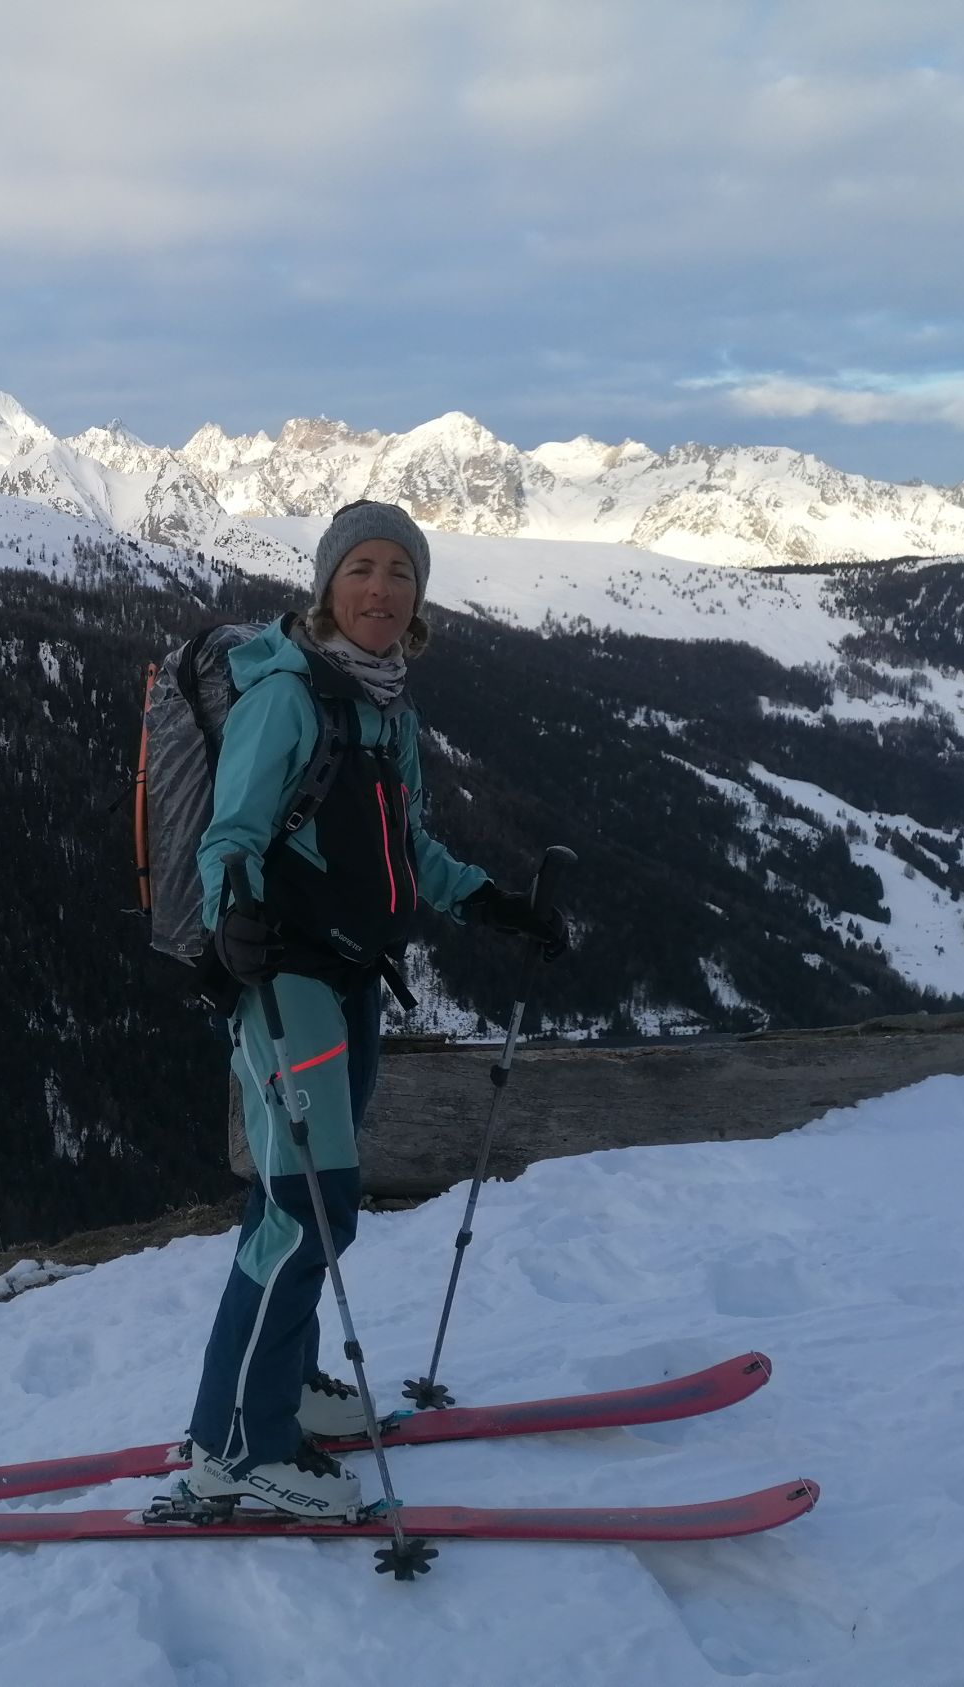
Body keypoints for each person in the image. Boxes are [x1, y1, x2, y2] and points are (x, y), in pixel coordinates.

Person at [181, 499, 566, 1516]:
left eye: (401, 571)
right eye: (362, 568)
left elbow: (408, 849)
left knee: (303, 1204)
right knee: (307, 1207)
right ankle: (235, 1446)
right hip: (283, 981)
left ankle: (285, 1383)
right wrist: (232, 922)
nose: (381, 589)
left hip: (350, 977)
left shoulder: (388, 707)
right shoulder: (285, 697)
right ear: (327, 585)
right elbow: (229, 837)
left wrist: (493, 904)